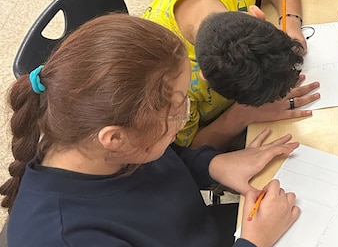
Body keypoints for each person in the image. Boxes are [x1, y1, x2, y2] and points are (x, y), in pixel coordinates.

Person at [1, 14, 300, 246]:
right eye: (178, 109)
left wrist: (212, 164)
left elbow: (164, 160)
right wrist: (254, 242)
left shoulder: (104, 143)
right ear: (115, 138)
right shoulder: (66, 237)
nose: (184, 121)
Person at [143, 0, 321, 151]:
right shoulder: (170, 83)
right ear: (203, 76)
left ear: (256, 13)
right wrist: (245, 114)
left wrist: (291, 24)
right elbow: (188, 151)